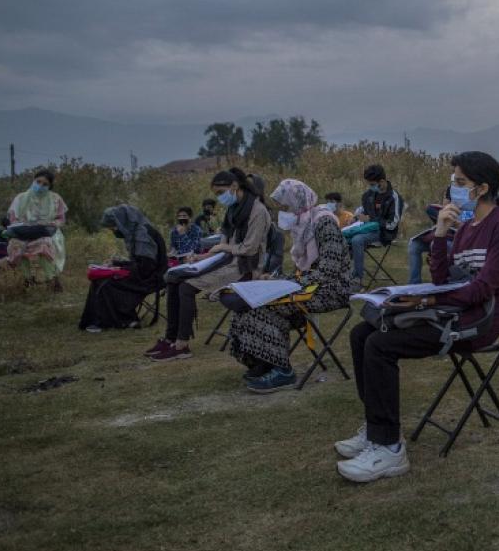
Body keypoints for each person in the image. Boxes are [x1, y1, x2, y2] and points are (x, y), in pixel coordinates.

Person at [335, 151, 499, 483]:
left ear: (481, 188)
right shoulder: (467, 227)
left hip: (477, 323)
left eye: (459, 182)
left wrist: (424, 299)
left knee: (381, 345)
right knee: (361, 334)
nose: (452, 187)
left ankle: (389, 448)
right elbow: (443, 280)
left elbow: (482, 290)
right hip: (451, 311)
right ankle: (376, 427)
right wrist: (440, 235)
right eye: (453, 181)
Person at [223, 180, 355, 392]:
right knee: (248, 305)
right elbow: (304, 272)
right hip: (311, 286)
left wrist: (289, 284)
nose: (283, 212)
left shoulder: (323, 223)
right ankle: (262, 361)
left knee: (266, 307)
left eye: (285, 207)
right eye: (281, 208)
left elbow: (328, 271)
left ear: (297, 202)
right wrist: (278, 281)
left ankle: (282, 370)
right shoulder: (303, 225)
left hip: (333, 289)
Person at [146, 168, 271, 362]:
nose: (219, 198)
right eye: (217, 194)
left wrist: (223, 247)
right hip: (227, 261)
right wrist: (201, 257)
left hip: (245, 267)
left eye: (221, 193)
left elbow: (249, 248)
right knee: (174, 279)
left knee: (186, 288)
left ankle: (182, 345)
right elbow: (223, 245)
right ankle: (171, 338)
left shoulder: (258, 211)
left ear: (234, 186)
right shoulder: (233, 210)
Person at [79, 205, 168, 333]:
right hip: (144, 273)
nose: (113, 230)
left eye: (113, 226)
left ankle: (123, 320)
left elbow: (146, 267)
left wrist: (118, 268)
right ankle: (96, 320)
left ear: (122, 221)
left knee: (108, 283)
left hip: (151, 277)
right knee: (98, 280)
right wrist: (117, 264)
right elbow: (139, 262)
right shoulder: (135, 232)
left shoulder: (142, 234)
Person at [6, 169, 68, 291]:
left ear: (50, 186)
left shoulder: (55, 199)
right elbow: (13, 220)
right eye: (38, 181)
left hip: (47, 232)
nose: (40, 186)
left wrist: (50, 224)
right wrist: (23, 226)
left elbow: (61, 219)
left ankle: (52, 280)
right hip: (24, 232)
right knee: (16, 245)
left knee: (45, 245)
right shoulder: (21, 198)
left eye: (45, 184)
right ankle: (27, 279)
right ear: (33, 181)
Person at [344, 165, 404, 284]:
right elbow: (363, 210)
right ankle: (344, 274)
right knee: (343, 237)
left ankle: (357, 279)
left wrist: (371, 220)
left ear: (381, 181)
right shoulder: (368, 194)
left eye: (372, 184)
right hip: (366, 228)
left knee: (357, 240)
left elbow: (392, 224)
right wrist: (355, 218)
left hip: (384, 233)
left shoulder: (394, 197)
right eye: (369, 184)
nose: (370, 187)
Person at [407, 188, 454, 284]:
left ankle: (441, 282)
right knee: (414, 245)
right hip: (439, 236)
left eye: (447, 198)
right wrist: (442, 208)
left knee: (434, 244)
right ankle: (414, 283)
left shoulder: (469, 209)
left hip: (454, 240)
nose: (446, 201)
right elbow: (431, 209)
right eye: (446, 198)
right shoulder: (443, 211)